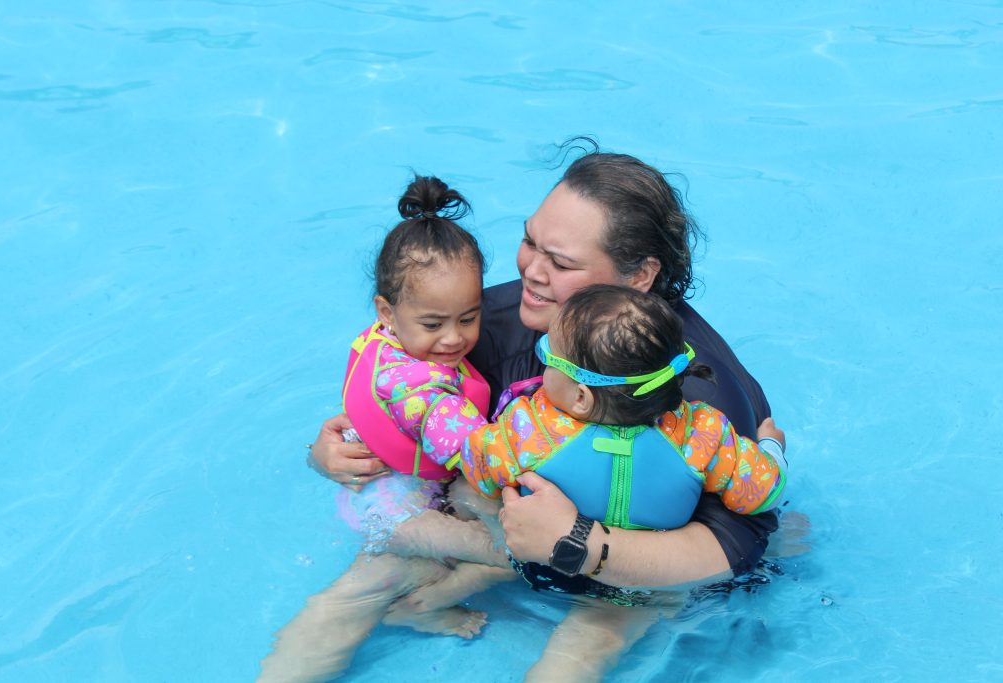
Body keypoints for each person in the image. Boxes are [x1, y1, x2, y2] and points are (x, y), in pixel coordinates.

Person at [303, 142, 783, 679]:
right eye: (530, 242)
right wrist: (337, 452)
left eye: (561, 262)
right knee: (362, 585)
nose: (531, 271)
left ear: (639, 276)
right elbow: (406, 370)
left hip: (630, 570)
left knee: (593, 637)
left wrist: (578, 545)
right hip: (511, 530)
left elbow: (737, 545)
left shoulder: (694, 389)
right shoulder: (497, 320)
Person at [258, 176, 514, 683]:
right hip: (394, 510)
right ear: (386, 312)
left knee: (420, 567)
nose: (454, 338)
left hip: (394, 493)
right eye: (434, 324)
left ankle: (421, 609)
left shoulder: (387, 342)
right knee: (509, 553)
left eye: (468, 318)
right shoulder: (411, 384)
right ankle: (422, 606)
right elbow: (461, 440)